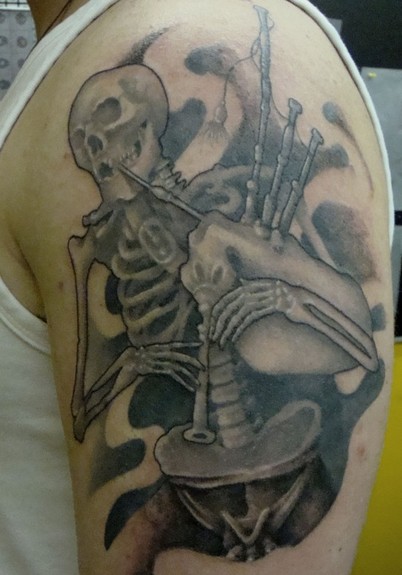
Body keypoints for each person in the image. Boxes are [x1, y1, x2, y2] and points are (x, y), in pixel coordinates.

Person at [0, 0, 394, 574]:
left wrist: (272, 276)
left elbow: (348, 344)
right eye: (96, 147)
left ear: (149, 132)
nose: (110, 156)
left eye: (125, 134)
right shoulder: (66, 68)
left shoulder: (202, 24)